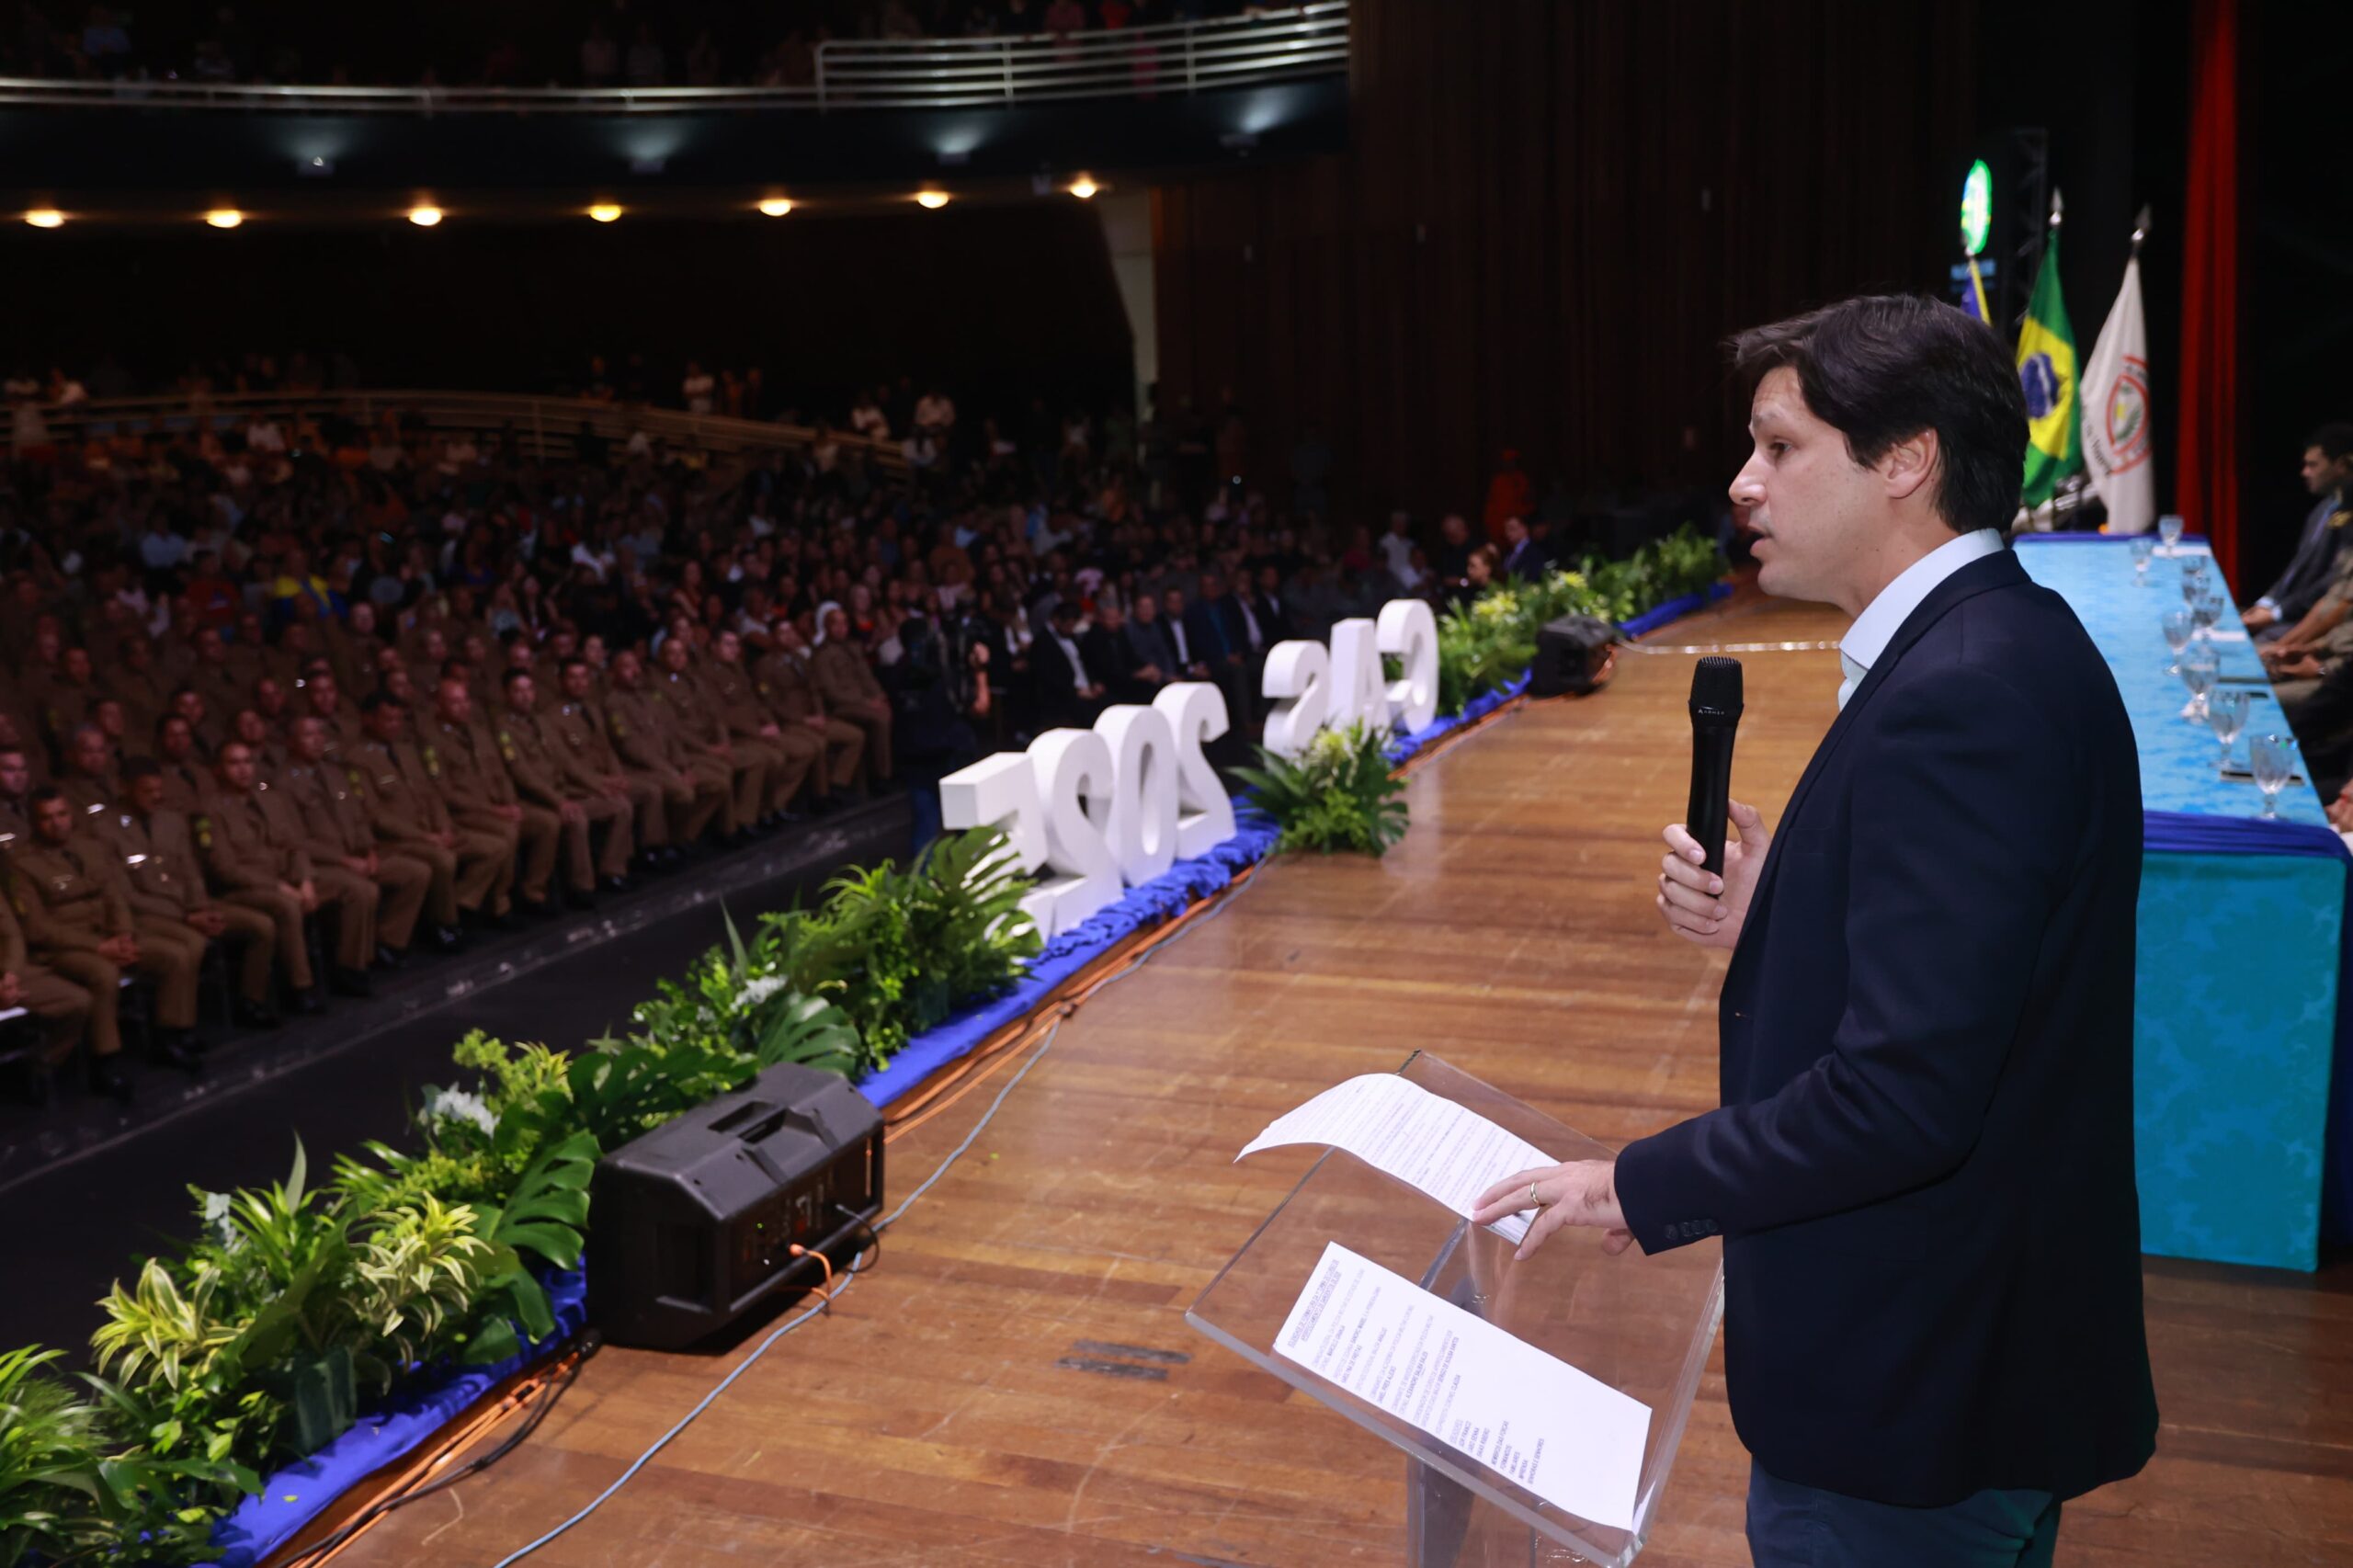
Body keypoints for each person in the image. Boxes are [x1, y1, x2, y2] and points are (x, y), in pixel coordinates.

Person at [1473, 295, 2155, 1567]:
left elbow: (1905, 1097)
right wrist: (1777, 913)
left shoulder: (1962, 694)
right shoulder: (1999, 641)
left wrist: (1636, 1179)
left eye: (1780, 447)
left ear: (1907, 459)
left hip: (1916, 1395)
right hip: (1961, 1356)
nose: (1743, 483)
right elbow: (1976, 983)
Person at [117, 757, 279, 1030]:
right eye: (147, 791)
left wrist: (199, 907)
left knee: (261, 926)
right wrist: (186, 916)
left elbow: (191, 872)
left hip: (190, 906)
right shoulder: (107, 831)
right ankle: (176, 1028)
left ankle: (251, 1001)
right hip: (149, 915)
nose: (156, 797)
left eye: (159, 790)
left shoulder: (171, 821)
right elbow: (126, 894)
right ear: (126, 789)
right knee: (191, 946)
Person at [2244, 424, 2353, 641]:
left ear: (2341, 465)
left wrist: (2276, 613)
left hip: (2313, 623)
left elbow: (2333, 584)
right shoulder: (2321, 510)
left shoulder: (2348, 517)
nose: (2305, 472)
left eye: (2313, 465)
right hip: (2288, 613)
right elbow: (2295, 570)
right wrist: (2266, 604)